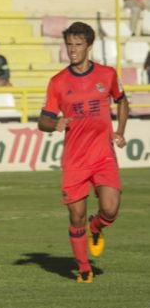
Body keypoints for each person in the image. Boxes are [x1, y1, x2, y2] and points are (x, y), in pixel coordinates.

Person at [38, 22, 128, 283]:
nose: (72, 49)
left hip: (103, 155)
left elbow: (122, 100)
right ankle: (84, 268)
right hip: (75, 160)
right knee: (75, 215)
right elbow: (43, 121)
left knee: (110, 209)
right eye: (69, 44)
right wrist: (55, 124)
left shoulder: (107, 75)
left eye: (78, 44)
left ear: (89, 46)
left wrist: (120, 131)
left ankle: (95, 226)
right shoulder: (57, 82)